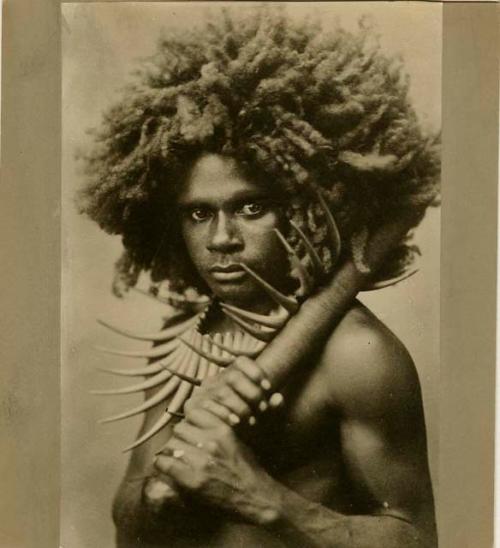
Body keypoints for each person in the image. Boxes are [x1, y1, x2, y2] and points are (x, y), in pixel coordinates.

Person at [78, 7, 440, 547]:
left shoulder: (357, 354)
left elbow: (420, 540)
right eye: (199, 213)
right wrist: (161, 488)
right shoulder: (185, 333)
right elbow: (130, 532)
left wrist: (261, 499)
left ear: (309, 207)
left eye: (250, 208)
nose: (222, 237)